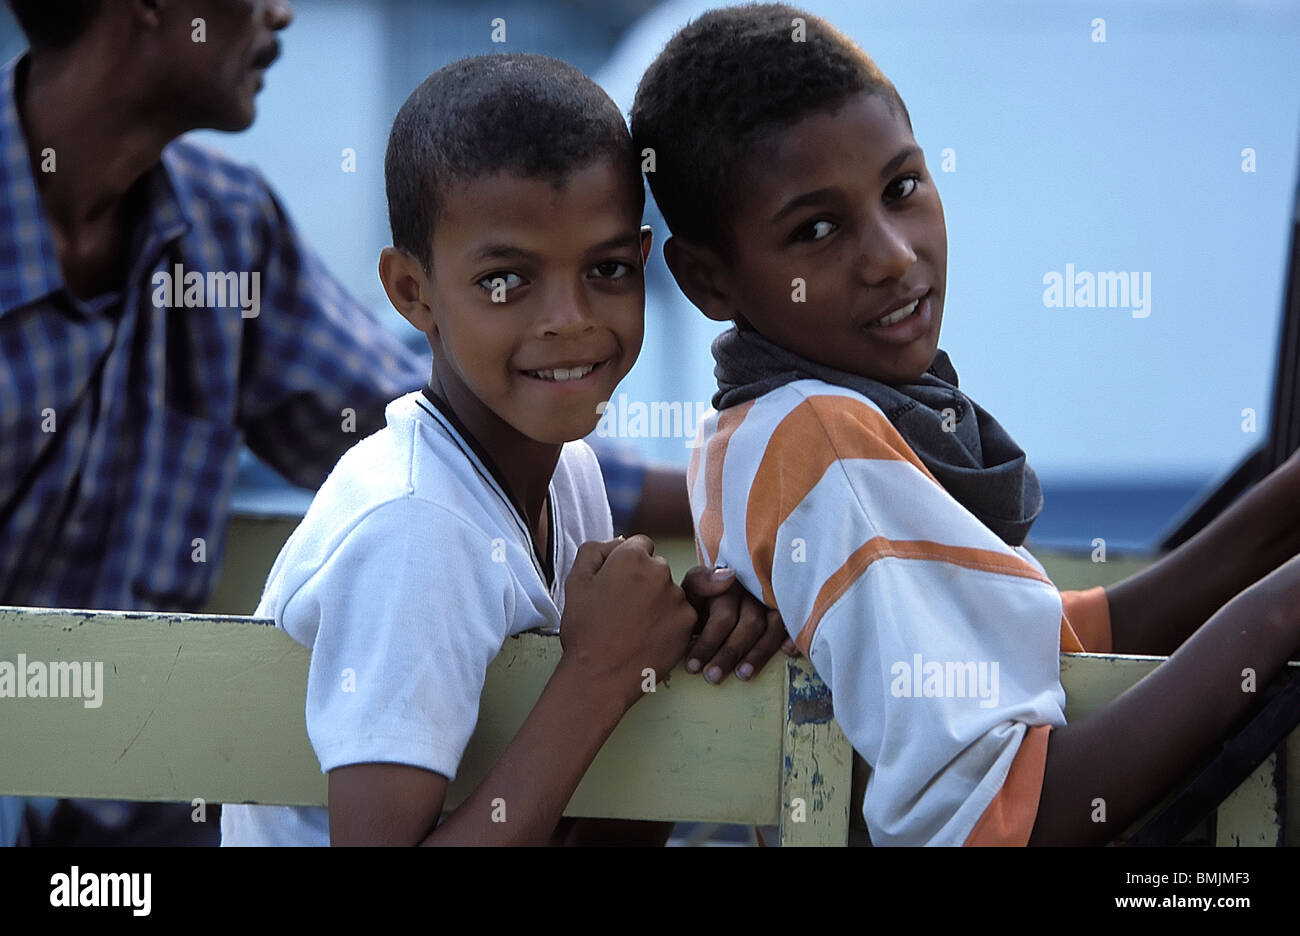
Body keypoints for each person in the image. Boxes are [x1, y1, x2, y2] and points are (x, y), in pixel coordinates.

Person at [631, 3, 1300, 845]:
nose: (893, 255)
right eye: (817, 229)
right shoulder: (825, 443)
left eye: (902, 187)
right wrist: (1280, 611)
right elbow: (993, 824)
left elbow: (1047, 642)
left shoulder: (757, 427)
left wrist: (1282, 512)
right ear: (706, 279)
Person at [220, 52, 787, 847]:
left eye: (608, 268)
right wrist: (601, 675)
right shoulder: (413, 529)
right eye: (504, 281)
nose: (570, 318)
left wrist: (684, 645)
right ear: (412, 292)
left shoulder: (569, 476)